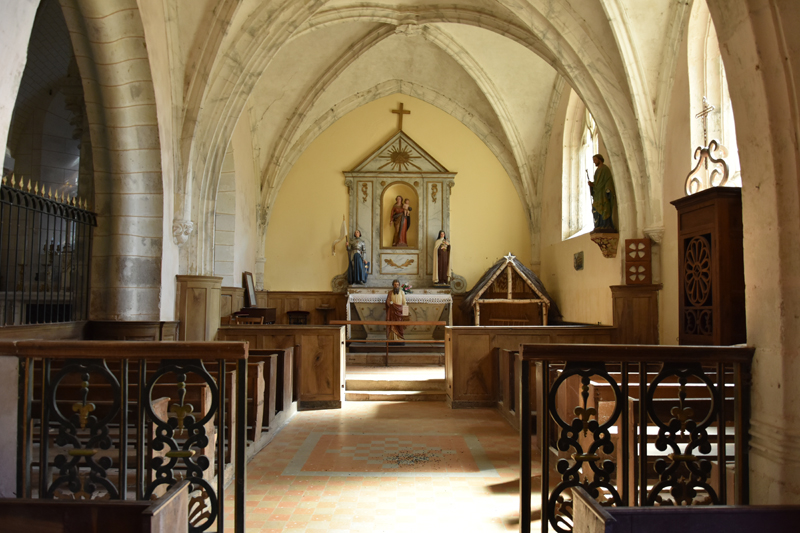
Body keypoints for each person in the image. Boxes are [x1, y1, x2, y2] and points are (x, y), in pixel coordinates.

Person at [587, 154, 616, 231]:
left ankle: (605, 225)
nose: (594, 162)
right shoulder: (597, 171)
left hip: (603, 194)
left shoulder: (605, 169)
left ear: (600, 160)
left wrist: (608, 189)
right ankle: (598, 225)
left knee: (604, 209)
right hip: (597, 194)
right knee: (595, 209)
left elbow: (608, 180)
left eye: (595, 160)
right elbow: (597, 184)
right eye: (593, 160)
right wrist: (591, 184)